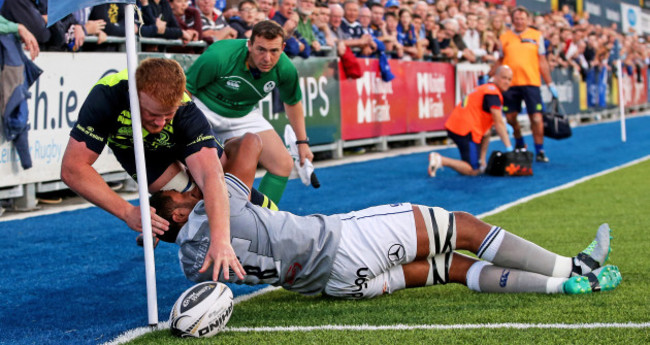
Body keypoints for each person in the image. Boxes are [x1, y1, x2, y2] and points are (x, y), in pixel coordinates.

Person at [151, 165, 621, 297]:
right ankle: (573, 265)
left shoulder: (190, 264)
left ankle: (562, 286)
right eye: (178, 190)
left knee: (451, 269)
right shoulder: (219, 200)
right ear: (174, 215)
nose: (190, 185)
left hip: (333, 286)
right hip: (344, 243)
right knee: (463, 228)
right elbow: (244, 147)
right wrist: (199, 161)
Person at [60, 58, 245, 281]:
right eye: (153, 114)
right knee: (180, 200)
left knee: (225, 178)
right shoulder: (107, 96)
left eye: (167, 114)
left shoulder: (186, 111)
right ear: (135, 96)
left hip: (178, 139)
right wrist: (127, 212)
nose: (159, 123)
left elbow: (210, 176)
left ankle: (268, 213)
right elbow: (73, 168)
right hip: (138, 149)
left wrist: (221, 239)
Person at [185, 20, 314, 203]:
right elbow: (186, 90)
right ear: (250, 44)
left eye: (274, 51)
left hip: (243, 114)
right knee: (204, 170)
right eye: (261, 49)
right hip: (204, 109)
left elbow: (292, 102)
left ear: (283, 47)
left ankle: (259, 221)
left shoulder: (285, 68)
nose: (267, 58)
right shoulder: (219, 55)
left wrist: (302, 143)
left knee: (283, 164)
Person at [428, 66, 514, 177]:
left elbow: (489, 128)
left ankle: (481, 161)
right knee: (473, 171)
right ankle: (440, 160)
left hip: (458, 124)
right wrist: (509, 147)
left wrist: (482, 159)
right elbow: (498, 122)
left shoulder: (485, 88)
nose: (507, 82)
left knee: (487, 133)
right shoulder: (492, 93)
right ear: (495, 77)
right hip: (465, 129)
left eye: (509, 79)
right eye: (504, 78)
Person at [497, 7, 557, 162]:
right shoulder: (504, 37)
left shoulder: (536, 36)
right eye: (516, 18)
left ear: (528, 20)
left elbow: (542, 61)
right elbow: (500, 61)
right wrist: (490, 76)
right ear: (512, 19)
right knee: (510, 118)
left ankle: (540, 150)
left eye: (522, 18)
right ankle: (520, 143)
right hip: (510, 84)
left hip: (531, 83)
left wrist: (549, 83)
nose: (519, 21)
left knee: (536, 118)